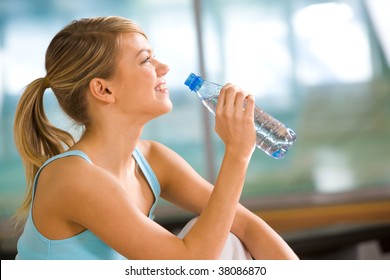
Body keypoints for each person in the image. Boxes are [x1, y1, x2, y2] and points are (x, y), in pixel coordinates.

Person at [13, 16, 298, 260]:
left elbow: (246, 225)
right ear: (104, 90)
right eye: (146, 60)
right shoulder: (73, 178)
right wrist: (237, 153)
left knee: (228, 237)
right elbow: (191, 264)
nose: (164, 67)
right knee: (215, 238)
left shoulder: (152, 160)